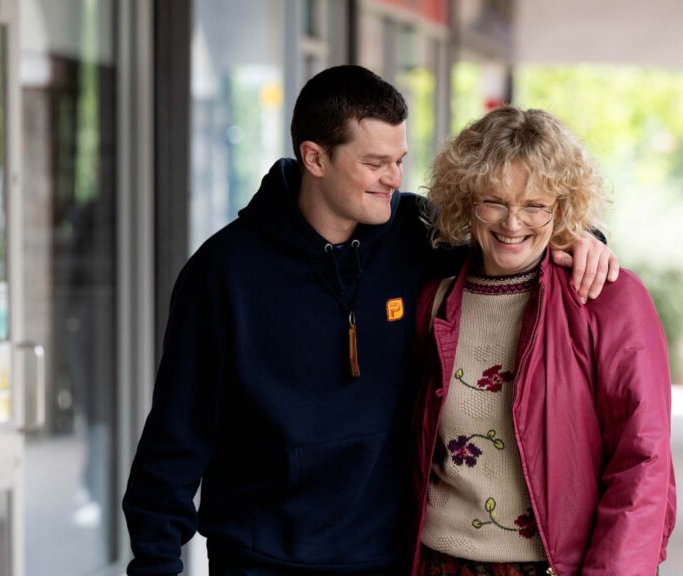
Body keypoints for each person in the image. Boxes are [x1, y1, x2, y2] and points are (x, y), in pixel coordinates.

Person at [122, 66, 619, 576]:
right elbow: (175, 440)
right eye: (375, 162)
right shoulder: (223, 272)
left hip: (390, 554)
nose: (394, 178)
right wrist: (155, 564)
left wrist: (583, 240)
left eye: (399, 161)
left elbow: (514, 236)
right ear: (315, 157)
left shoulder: (420, 236)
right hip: (260, 557)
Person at [410, 107, 676, 576]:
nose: (513, 223)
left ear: (562, 207)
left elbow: (643, 460)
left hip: (549, 567)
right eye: (494, 201)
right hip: (439, 561)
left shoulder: (607, 299)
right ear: (466, 199)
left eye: (535, 205)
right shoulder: (434, 302)